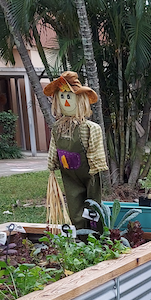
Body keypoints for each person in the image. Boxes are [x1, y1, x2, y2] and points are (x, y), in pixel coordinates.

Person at [44, 71, 106, 228]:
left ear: (80, 100)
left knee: (93, 205)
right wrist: (52, 164)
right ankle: (79, 234)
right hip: (69, 174)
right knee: (74, 205)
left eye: (69, 97)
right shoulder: (57, 128)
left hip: (88, 173)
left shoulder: (90, 128)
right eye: (62, 97)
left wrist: (95, 167)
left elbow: (95, 151)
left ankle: (95, 235)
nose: (66, 101)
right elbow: (54, 146)